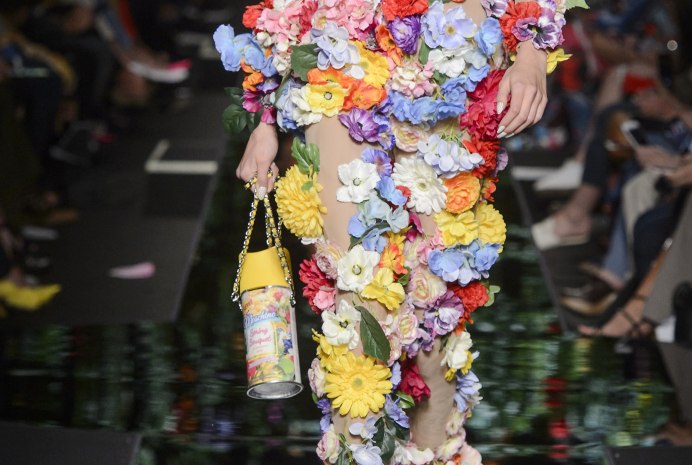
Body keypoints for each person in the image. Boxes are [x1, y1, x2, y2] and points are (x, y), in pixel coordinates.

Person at [218, 0, 574, 462]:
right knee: (358, 298)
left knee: (434, 325)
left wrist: (531, 52)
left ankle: (435, 454)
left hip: (451, 54)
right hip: (341, 50)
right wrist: (266, 112)